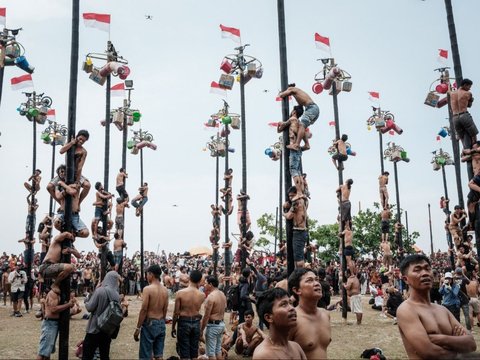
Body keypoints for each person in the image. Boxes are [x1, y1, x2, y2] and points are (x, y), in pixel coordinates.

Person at [397, 254, 476, 359]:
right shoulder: (406, 310)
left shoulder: (442, 310)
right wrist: (457, 345)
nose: (425, 273)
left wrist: (441, 339)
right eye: (417, 270)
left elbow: (471, 344)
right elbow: (428, 352)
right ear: (405, 279)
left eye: (427, 269)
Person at [288, 268, 331, 359]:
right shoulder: (292, 319)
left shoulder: (325, 315)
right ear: (297, 290)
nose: (317, 283)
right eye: (309, 281)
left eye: (317, 280)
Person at [252, 287, 306, 360]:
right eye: (284, 304)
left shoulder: (296, 348)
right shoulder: (263, 355)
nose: (292, 308)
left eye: (291, 303)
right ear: (268, 318)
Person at [82, 271, 121, 360]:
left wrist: (86, 300)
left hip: (94, 328)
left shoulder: (100, 291)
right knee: (104, 355)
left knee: (87, 354)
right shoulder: (116, 294)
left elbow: (90, 308)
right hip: (107, 329)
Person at [134, 264, 169, 360]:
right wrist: (162, 320)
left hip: (150, 323)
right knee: (159, 355)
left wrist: (138, 327)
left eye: (147, 274)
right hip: (161, 322)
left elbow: (144, 309)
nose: (146, 276)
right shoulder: (165, 290)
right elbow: (165, 308)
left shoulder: (148, 289)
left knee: (146, 355)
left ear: (151, 275)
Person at [171, 269, 205, 360]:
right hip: (196, 322)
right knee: (194, 353)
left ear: (189, 278)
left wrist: (173, 327)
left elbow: (176, 313)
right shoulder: (202, 295)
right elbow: (199, 311)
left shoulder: (180, 293)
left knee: (184, 353)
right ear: (199, 280)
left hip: (184, 321)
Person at [278, 83, 319, 151]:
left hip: (311, 108)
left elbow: (282, 95)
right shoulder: (297, 93)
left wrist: (281, 93)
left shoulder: (291, 89)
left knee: (302, 125)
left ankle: (297, 144)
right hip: (313, 109)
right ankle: (306, 145)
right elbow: (300, 106)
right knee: (302, 126)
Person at [37, 287, 75, 360]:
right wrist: (68, 304)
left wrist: (71, 303)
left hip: (54, 324)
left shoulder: (61, 293)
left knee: (47, 353)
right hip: (50, 323)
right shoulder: (52, 293)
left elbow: (69, 306)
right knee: (42, 353)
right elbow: (53, 309)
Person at [277, 105, 307, 197]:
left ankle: (298, 192)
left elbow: (280, 129)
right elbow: (307, 145)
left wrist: (279, 124)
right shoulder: (301, 124)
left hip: (293, 148)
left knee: (293, 170)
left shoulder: (292, 119)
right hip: (298, 149)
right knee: (298, 171)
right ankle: (301, 191)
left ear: (294, 112)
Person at [200, 276, 227, 360]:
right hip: (221, 324)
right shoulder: (222, 294)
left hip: (213, 326)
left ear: (210, 284)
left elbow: (206, 316)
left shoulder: (211, 297)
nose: (204, 285)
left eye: (206, 283)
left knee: (211, 353)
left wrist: (201, 330)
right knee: (217, 350)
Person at [283, 186, 308, 268]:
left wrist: (283, 210)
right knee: (299, 257)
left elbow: (289, 216)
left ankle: (300, 276)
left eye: (292, 195)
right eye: (289, 196)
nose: (290, 198)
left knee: (298, 260)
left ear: (296, 194)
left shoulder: (296, 202)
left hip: (299, 231)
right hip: (302, 231)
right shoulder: (303, 200)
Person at [450, 78, 477, 149]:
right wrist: (471, 100)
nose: (469, 89)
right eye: (469, 87)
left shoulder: (452, 93)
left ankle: (465, 149)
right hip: (464, 115)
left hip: (455, 117)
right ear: (465, 85)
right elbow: (469, 105)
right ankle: (475, 147)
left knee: (461, 136)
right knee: (473, 133)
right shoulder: (468, 93)